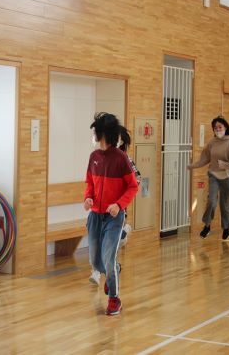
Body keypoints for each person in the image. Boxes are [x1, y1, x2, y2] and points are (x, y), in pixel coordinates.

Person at [84, 113, 138, 316]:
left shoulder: (121, 159)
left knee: (108, 258)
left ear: (103, 134)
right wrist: (88, 198)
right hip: (95, 216)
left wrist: (119, 204)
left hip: (114, 218)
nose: (94, 135)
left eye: (95, 131)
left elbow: (133, 186)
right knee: (95, 261)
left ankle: (114, 299)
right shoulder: (94, 157)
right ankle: (113, 270)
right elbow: (90, 183)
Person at [189, 116, 229, 240]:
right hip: (213, 176)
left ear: (225, 127)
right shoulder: (212, 142)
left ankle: (226, 227)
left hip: (227, 177)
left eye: (220, 127)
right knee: (211, 201)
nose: (217, 129)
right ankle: (207, 225)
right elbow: (205, 158)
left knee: (225, 203)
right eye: (215, 128)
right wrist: (193, 165)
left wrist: (224, 165)